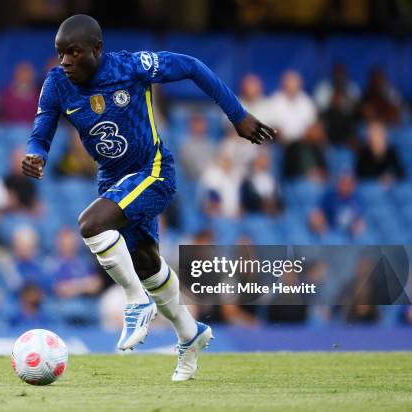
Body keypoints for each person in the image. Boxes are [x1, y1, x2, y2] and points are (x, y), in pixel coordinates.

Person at [22, 14, 275, 380]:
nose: (65, 61)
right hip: (112, 182)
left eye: (73, 52)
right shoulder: (57, 83)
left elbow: (191, 66)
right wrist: (35, 154)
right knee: (147, 263)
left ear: (97, 49)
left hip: (153, 172)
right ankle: (191, 335)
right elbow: (41, 131)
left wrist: (237, 116)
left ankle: (135, 301)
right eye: (60, 53)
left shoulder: (131, 66)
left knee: (90, 224)